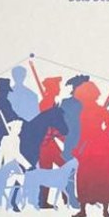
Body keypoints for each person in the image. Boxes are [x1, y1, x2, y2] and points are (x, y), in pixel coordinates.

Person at [72, 80, 109, 217]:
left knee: (103, 177)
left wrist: (104, 134)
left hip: (101, 147)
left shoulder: (99, 110)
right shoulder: (79, 111)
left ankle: (105, 210)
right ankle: (82, 210)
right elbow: (75, 129)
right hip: (86, 146)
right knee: (84, 177)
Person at [36, 75, 65, 209]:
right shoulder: (46, 103)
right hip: (44, 144)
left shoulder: (51, 102)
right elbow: (51, 126)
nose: (59, 88)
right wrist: (65, 139)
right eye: (57, 86)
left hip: (50, 143)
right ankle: (43, 201)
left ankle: (66, 196)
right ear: (51, 88)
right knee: (46, 172)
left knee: (65, 167)